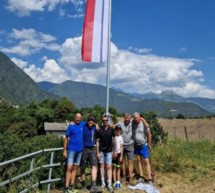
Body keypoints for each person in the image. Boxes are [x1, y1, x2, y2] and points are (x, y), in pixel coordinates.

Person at [63, 113, 85, 193]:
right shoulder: (71, 126)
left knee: (75, 168)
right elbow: (66, 138)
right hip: (71, 150)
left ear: (81, 118)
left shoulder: (83, 124)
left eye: (80, 118)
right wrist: (65, 150)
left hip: (80, 150)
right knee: (69, 168)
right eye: (77, 117)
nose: (78, 119)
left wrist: (96, 125)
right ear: (74, 118)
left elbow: (91, 123)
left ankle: (71, 187)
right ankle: (66, 187)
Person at [96, 115, 116, 193]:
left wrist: (114, 150)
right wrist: (97, 152)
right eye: (103, 120)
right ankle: (102, 183)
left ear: (108, 121)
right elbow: (97, 141)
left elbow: (114, 140)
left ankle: (109, 184)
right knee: (101, 166)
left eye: (106, 120)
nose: (105, 122)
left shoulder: (111, 129)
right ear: (102, 121)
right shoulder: (99, 130)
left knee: (109, 166)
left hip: (109, 151)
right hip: (101, 151)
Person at [80, 116, 99, 193]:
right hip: (84, 150)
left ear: (94, 122)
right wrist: (72, 123)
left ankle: (93, 186)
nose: (90, 122)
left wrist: (97, 125)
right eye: (89, 120)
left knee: (94, 166)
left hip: (92, 150)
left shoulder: (95, 128)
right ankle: (83, 186)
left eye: (92, 121)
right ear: (87, 121)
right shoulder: (83, 126)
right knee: (82, 168)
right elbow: (77, 122)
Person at [132, 112, 152, 183]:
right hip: (137, 145)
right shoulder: (133, 123)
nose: (135, 119)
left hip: (144, 145)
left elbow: (149, 134)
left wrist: (149, 144)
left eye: (137, 117)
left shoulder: (143, 124)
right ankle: (141, 177)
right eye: (134, 118)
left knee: (146, 161)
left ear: (139, 117)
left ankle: (149, 178)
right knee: (139, 160)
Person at [117, 113, 135, 185]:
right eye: (126, 118)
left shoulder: (132, 123)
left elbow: (139, 119)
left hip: (130, 144)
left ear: (130, 119)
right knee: (123, 161)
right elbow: (112, 126)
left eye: (128, 119)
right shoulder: (120, 124)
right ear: (124, 118)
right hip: (122, 145)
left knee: (130, 161)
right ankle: (124, 176)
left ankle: (130, 177)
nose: (127, 120)